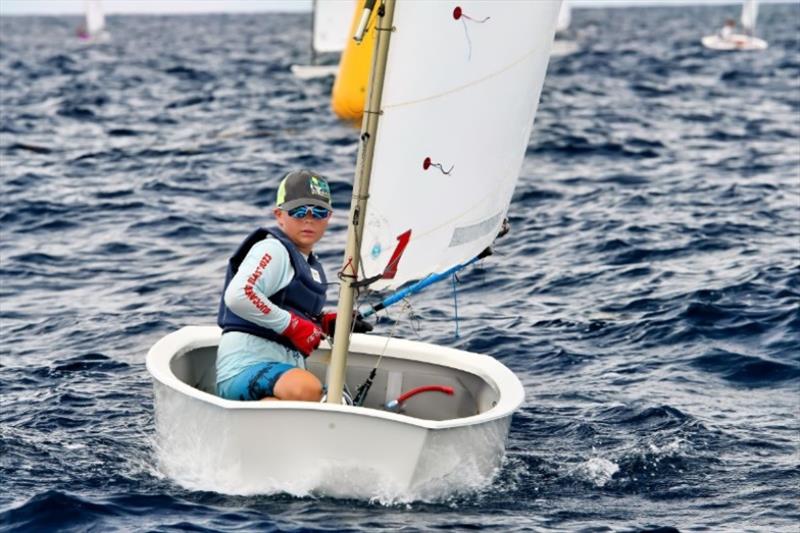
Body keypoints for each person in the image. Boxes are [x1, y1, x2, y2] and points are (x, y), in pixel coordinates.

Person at [215, 169, 371, 402]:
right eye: (298, 211)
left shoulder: (311, 264)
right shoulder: (274, 250)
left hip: (279, 375)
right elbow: (239, 295)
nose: (309, 219)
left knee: (299, 398)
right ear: (279, 215)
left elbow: (287, 305)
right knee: (307, 389)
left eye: (318, 212)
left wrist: (323, 323)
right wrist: (293, 326)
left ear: (329, 217)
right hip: (244, 368)